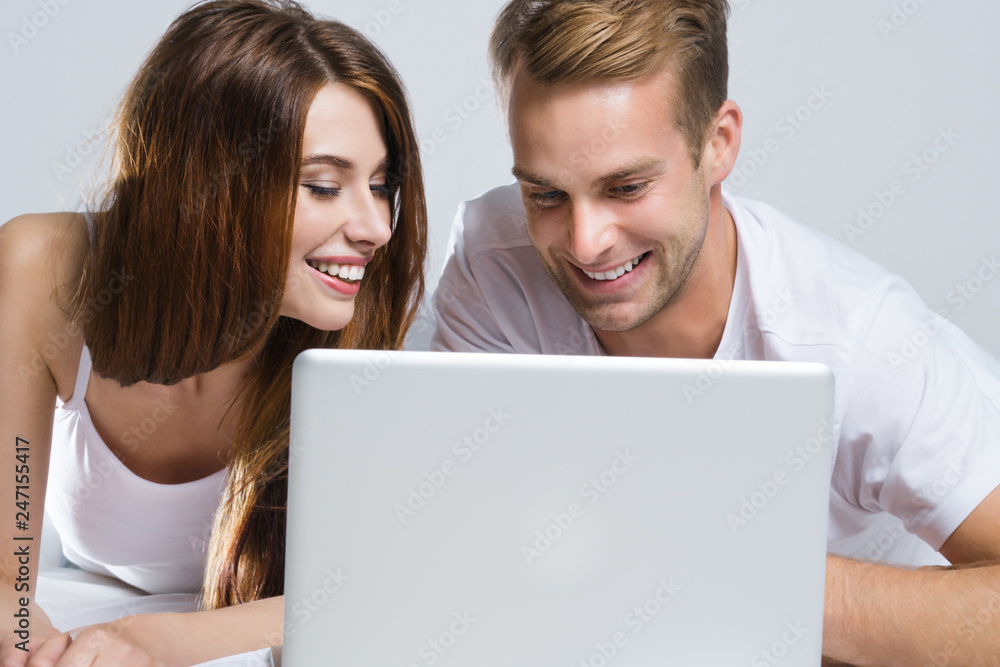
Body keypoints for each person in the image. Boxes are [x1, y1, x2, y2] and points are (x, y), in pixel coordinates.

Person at [431, 0, 1000, 663]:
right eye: (547, 195)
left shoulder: (864, 342)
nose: (585, 243)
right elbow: (468, 544)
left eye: (627, 186)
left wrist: (753, 579)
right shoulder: (491, 262)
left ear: (718, 143)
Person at [0, 0, 426, 664]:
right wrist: (29, 641)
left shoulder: (351, 317)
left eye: (380, 184)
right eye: (322, 185)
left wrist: (148, 640)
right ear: (207, 184)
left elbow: (364, 585)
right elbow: (7, 573)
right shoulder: (42, 269)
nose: (374, 225)